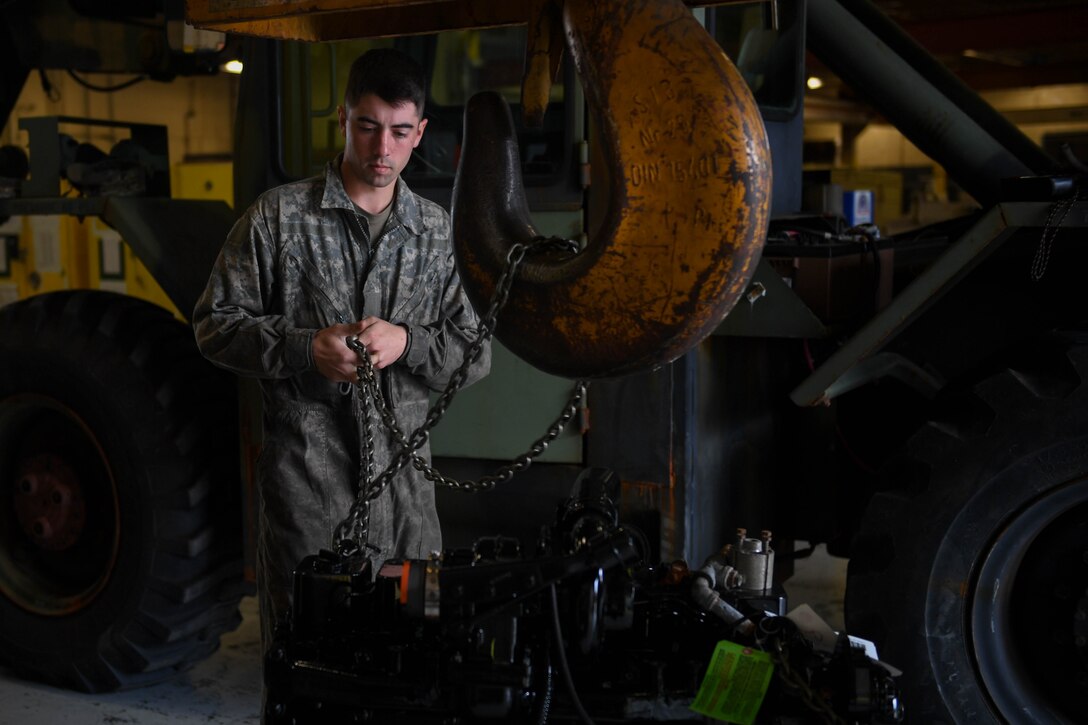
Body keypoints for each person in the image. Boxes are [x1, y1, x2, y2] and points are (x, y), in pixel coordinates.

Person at [191, 47, 491, 651]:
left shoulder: (437, 234)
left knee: (416, 652)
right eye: (368, 126)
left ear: (419, 133)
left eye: (400, 132)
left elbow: (475, 353)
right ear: (344, 118)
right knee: (307, 655)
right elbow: (214, 325)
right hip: (308, 489)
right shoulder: (278, 219)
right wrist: (306, 348)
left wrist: (407, 342)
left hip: (408, 500)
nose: (383, 150)